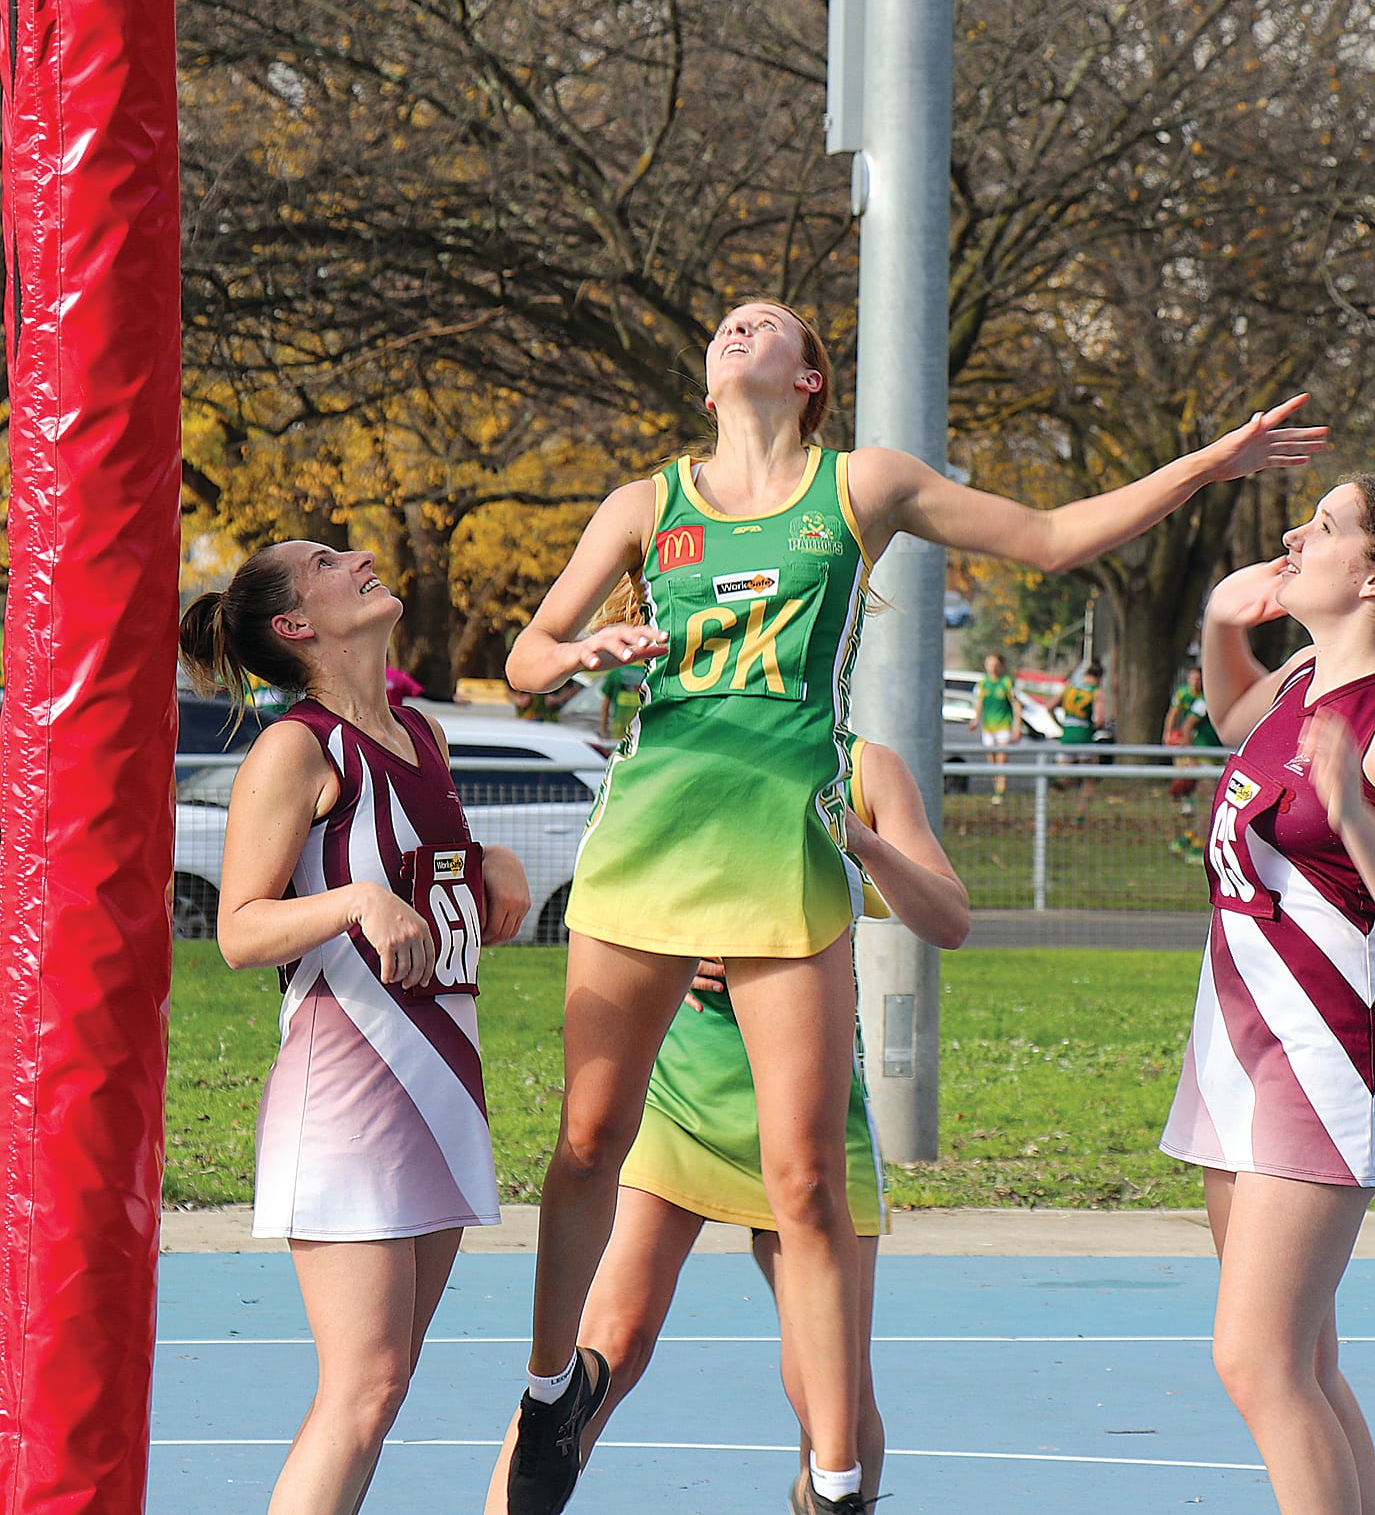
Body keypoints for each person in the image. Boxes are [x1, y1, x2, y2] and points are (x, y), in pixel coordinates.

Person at [501, 293, 1325, 1515]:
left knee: (807, 1184)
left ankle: (837, 1482)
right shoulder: (642, 505)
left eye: (765, 320)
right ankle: (548, 1383)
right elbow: (525, 654)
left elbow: (1050, 538)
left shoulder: (860, 485)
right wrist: (574, 657)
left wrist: (1220, 458)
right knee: (583, 1143)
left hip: (777, 848)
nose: (737, 329)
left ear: (812, 377)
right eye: (724, 323)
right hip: (650, 840)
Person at [482, 735, 969, 1514]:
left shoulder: (866, 766)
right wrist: (689, 940)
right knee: (610, 1344)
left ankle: (837, 1496)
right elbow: (615, 903)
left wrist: (862, 840)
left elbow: (949, 919)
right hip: (682, 1091)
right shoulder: (667, 750)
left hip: (809, 1113)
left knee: (829, 1393)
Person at [178, 542, 532, 1515]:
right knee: (362, 1389)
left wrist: (491, 858)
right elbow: (239, 928)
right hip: (348, 1091)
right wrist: (352, 901)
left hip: (443, 1087)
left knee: (384, 1390)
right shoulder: (297, 747)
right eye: (331, 562)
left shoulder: (420, 734)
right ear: (296, 625)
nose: (364, 556)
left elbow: (431, 876)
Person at [1159, 474, 1375, 1515]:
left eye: (1323, 526)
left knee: (1258, 1359)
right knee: (1305, 1362)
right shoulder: (1297, 676)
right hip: (1237, 1040)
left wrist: (1353, 813)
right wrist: (1213, 622)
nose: (1294, 533)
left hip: (1326, 1051)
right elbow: (1232, 714)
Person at [1163, 665, 1220, 853]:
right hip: (1204, 758)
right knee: (1212, 803)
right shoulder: (1202, 701)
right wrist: (1191, 755)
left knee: (1212, 804)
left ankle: (1187, 839)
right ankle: (1196, 846)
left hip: (1216, 757)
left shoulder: (1216, 699)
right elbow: (1187, 725)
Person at [1051, 661, 1107, 818]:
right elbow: (1100, 720)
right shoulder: (1096, 692)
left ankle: (1054, 809)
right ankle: (1080, 815)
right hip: (1084, 737)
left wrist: (1061, 725)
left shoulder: (1069, 688)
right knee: (1089, 778)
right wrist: (1093, 729)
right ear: (1100, 677)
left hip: (1067, 736)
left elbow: (1049, 706)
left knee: (1064, 778)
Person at [969, 650, 1016, 802]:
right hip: (988, 727)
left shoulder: (1006, 682)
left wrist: (1016, 726)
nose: (992, 668)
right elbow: (979, 703)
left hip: (1003, 726)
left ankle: (1000, 792)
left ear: (1001, 666)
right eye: (989, 664)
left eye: (995, 665)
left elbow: (1016, 704)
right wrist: (975, 720)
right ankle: (996, 789)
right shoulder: (983, 683)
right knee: (992, 761)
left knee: (1001, 760)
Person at [598, 662, 644, 740]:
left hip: (618, 734)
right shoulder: (652, 672)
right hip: (641, 735)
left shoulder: (617, 671)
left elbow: (605, 705)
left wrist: (603, 731)